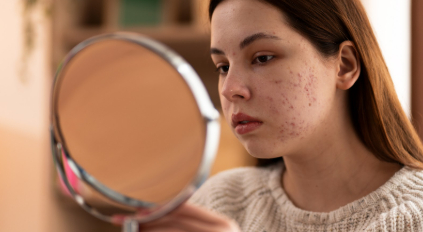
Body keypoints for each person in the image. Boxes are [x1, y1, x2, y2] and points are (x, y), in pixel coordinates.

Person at [140, 0, 423, 231]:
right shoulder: (220, 201)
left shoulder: (413, 217)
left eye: (262, 58)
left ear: (344, 66)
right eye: (223, 66)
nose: (229, 90)